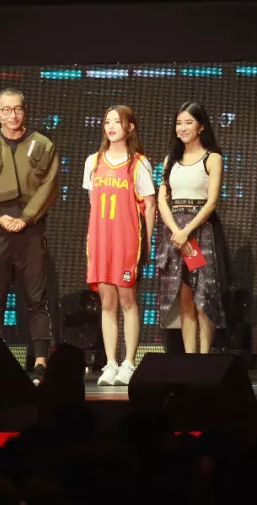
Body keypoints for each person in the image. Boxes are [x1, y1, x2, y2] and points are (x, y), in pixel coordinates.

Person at [0, 88, 60, 378]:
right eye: (6, 110)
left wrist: (27, 218)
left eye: (17, 109)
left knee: (37, 299)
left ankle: (41, 361)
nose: (13, 115)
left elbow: (49, 185)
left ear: (25, 110)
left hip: (30, 229)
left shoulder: (43, 144)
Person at [83, 105, 156, 386]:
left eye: (117, 121)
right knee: (107, 303)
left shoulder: (139, 163)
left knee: (128, 302)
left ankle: (129, 363)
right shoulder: (93, 161)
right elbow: (92, 204)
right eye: (107, 122)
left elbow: (150, 205)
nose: (111, 126)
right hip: (100, 241)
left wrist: (146, 242)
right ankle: (111, 363)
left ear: (130, 127)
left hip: (127, 241)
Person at [156, 102, 231, 354]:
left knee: (203, 299)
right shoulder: (170, 160)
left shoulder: (213, 158)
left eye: (189, 122)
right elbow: (162, 201)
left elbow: (211, 202)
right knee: (185, 300)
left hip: (200, 234)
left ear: (201, 127)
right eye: (179, 123)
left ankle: (204, 357)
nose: (183, 128)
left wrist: (187, 232)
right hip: (175, 236)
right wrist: (176, 232)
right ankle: (190, 359)